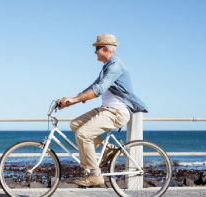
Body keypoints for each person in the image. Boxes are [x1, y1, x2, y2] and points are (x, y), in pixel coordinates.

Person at [58, 34, 148, 186]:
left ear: (105, 49)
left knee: (83, 134)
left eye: (96, 48)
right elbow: (92, 87)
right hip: (106, 109)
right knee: (75, 125)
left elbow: (99, 89)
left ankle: (95, 175)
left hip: (117, 112)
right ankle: (108, 149)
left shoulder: (115, 65)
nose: (94, 52)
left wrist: (74, 100)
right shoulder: (106, 67)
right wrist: (71, 101)